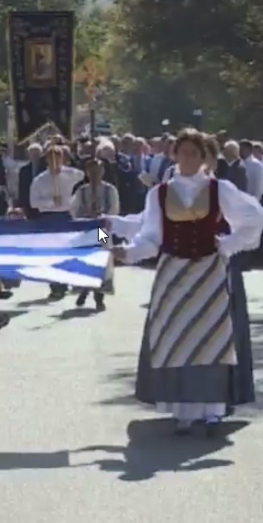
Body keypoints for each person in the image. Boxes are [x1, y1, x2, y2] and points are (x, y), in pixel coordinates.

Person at [111, 128, 263, 436]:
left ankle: (213, 410)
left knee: (212, 342)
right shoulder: (160, 193)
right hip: (173, 273)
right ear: (175, 155)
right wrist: (122, 251)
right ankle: (181, 408)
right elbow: (149, 236)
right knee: (174, 338)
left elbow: (253, 219)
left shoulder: (220, 189)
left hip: (209, 272)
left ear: (204, 156)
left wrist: (229, 244)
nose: (188, 158)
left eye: (195, 153)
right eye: (183, 152)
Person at [29, 145, 85, 299]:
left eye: (58, 157)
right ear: (46, 159)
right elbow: (33, 202)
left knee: (67, 251)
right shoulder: (40, 180)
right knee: (51, 252)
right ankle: (55, 285)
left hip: (66, 217)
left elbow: (83, 175)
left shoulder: (71, 174)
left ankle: (68, 280)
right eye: (52, 158)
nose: (55, 161)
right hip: (48, 218)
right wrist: (50, 202)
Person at [70, 158, 119, 310]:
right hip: (86, 230)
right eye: (91, 171)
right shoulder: (81, 191)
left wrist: (103, 215)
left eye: (97, 171)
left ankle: (99, 296)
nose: (95, 174)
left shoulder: (109, 190)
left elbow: (114, 209)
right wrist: (84, 217)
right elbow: (73, 209)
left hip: (101, 230)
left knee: (102, 258)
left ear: (103, 171)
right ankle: (84, 288)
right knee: (85, 258)